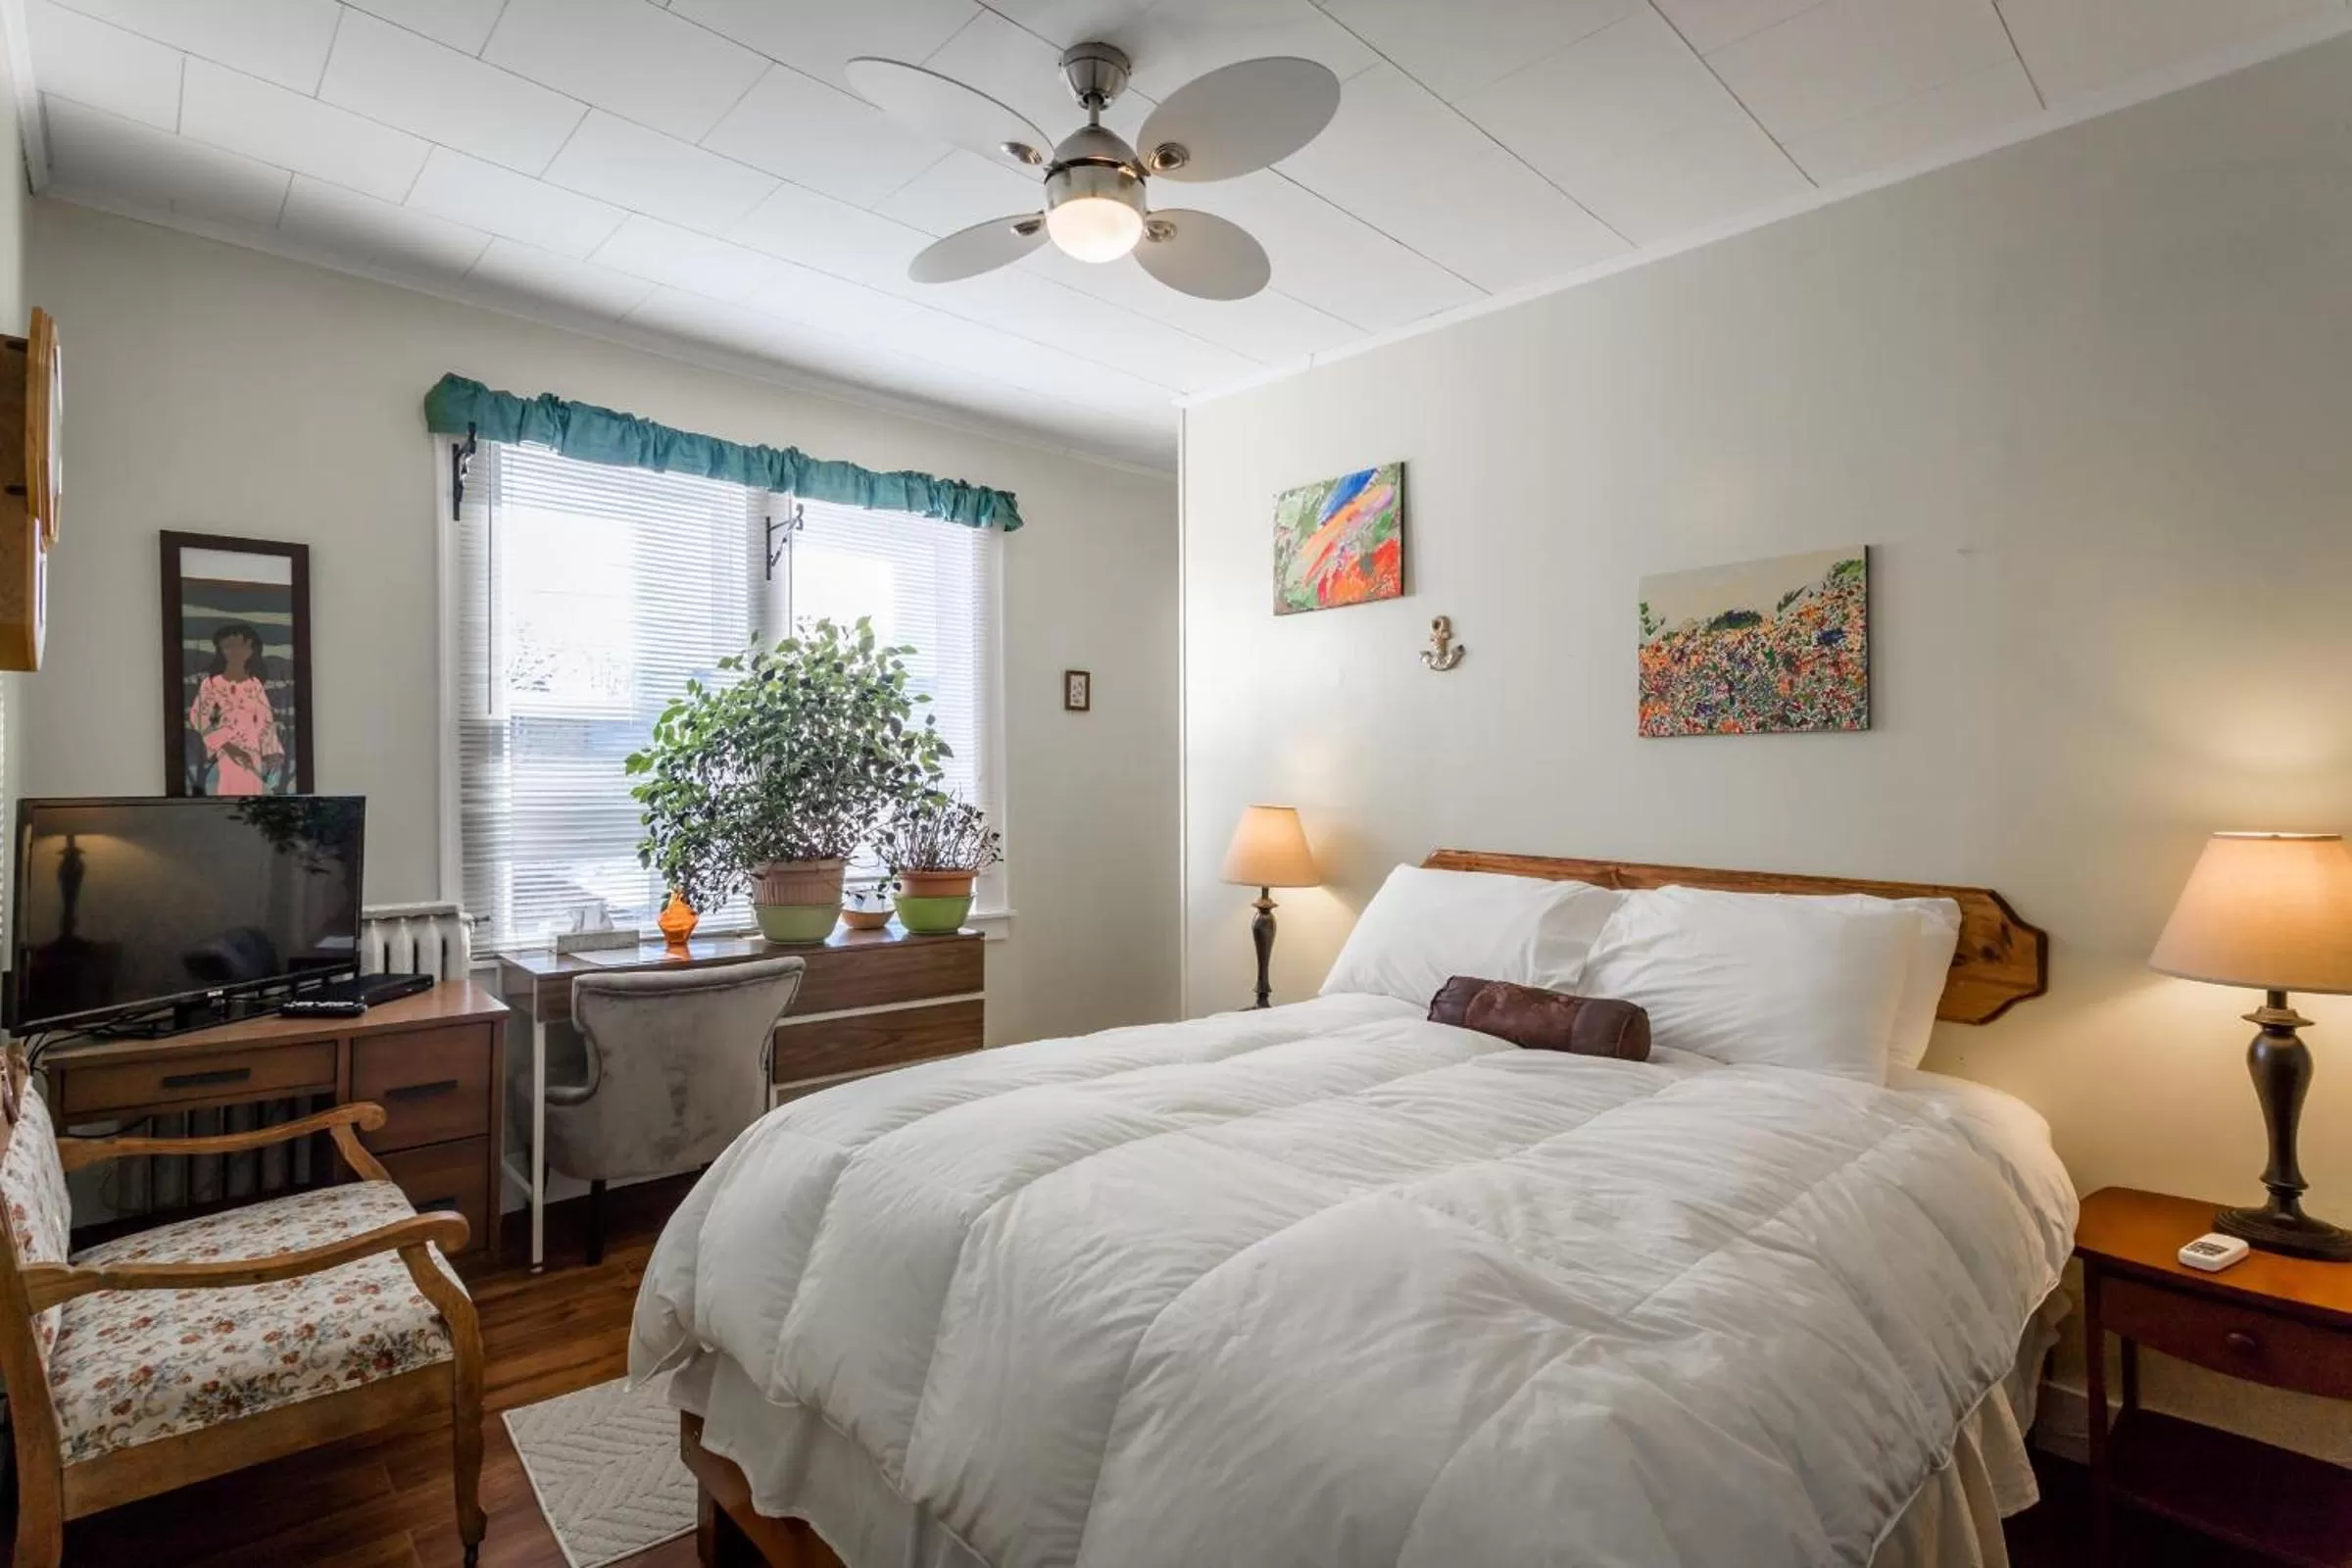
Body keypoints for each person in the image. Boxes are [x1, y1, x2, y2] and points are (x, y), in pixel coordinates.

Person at [187, 621, 284, 795]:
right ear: (221, 649)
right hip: (227, 753)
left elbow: (266, 721)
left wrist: (272, 753)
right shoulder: (211, 685)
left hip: (252, 754)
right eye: (230, 646)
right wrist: (227, 746)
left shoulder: (254, 685)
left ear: (252, 649)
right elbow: (198, 718)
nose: (236, 651)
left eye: (243, 645)